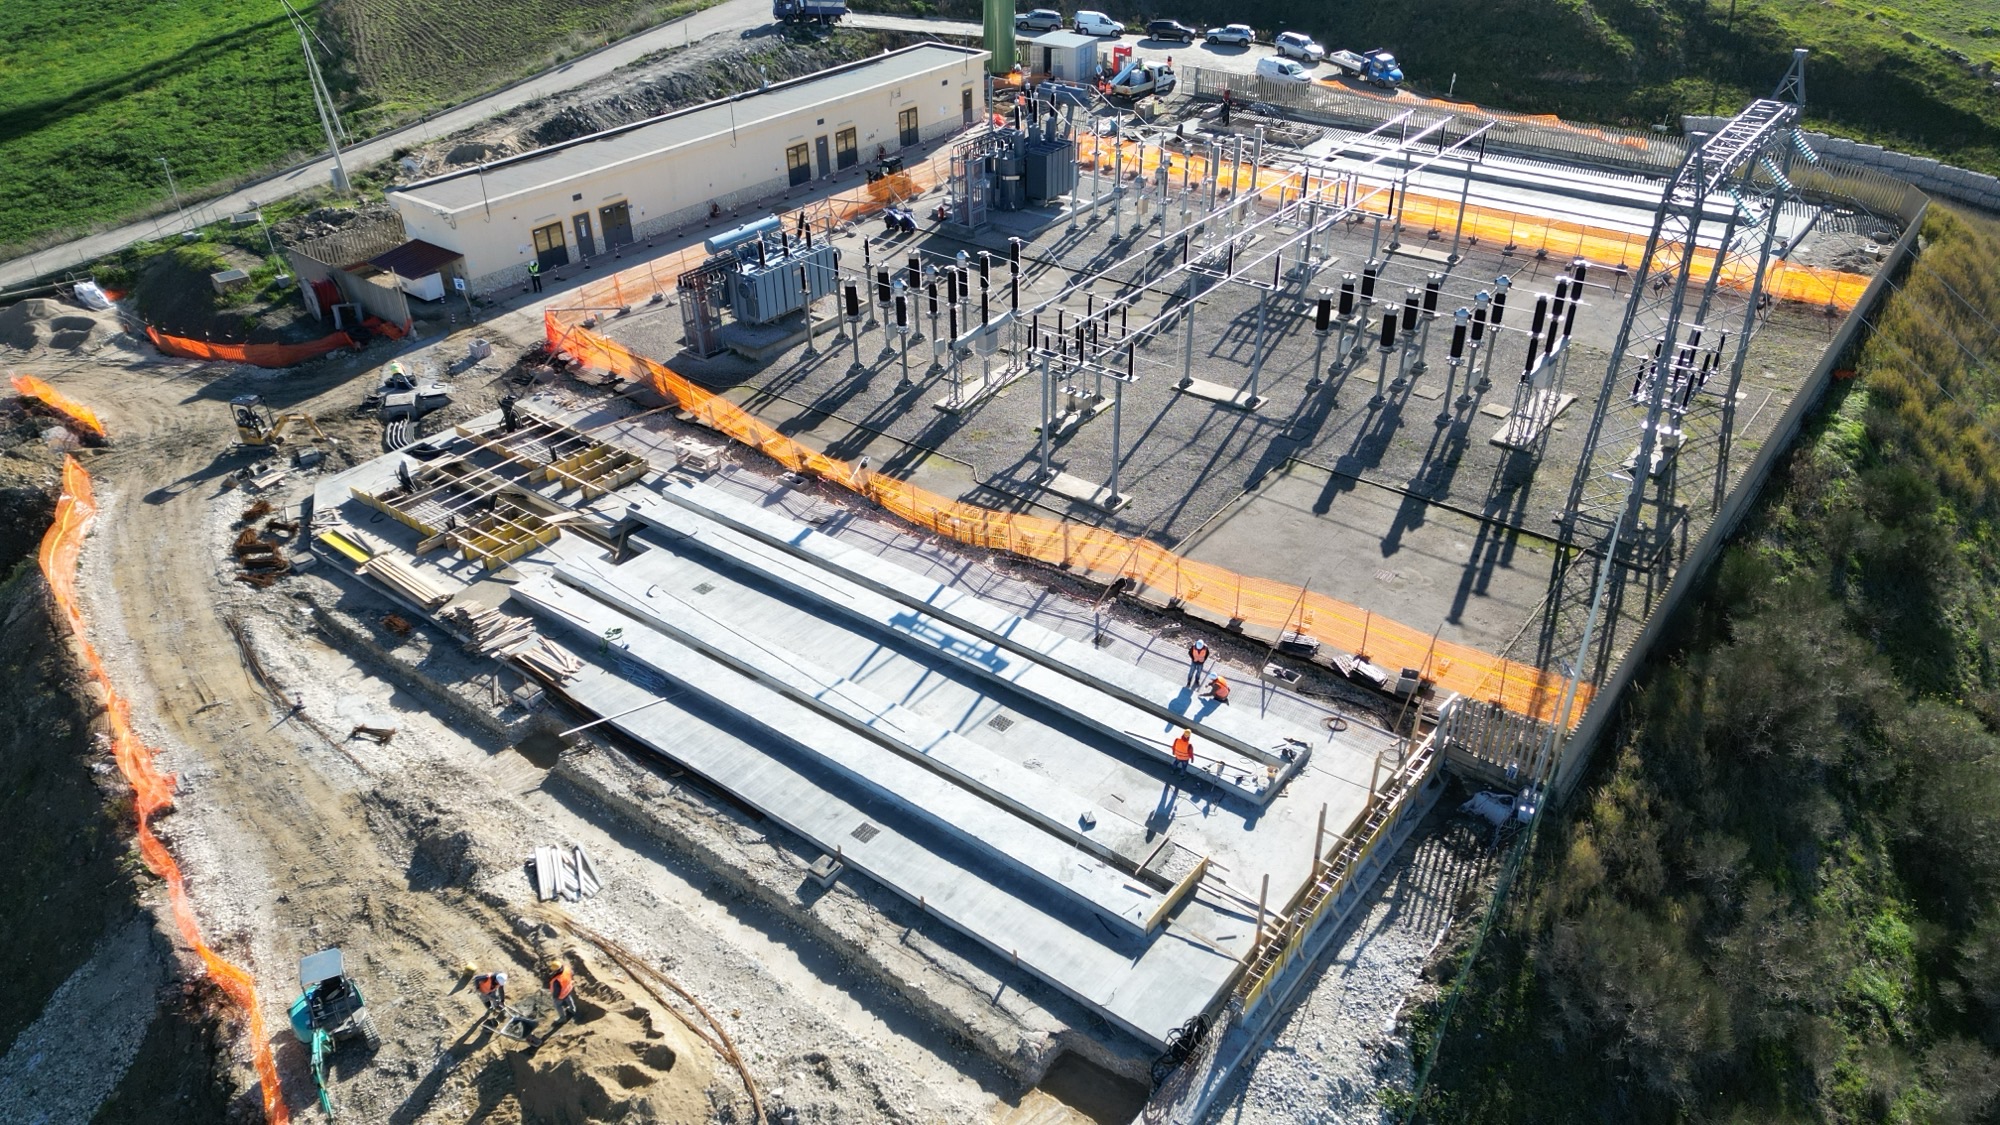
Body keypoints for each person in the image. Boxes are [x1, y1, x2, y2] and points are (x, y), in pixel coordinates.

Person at [545, 959, 578, 1029]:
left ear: (556, 970)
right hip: (568, 988)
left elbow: (556, 991)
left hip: (561, 994)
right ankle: (573, 1010)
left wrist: (555, 997)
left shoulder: (557, 980)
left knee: (558, 1006)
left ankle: (562, 1018)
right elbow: (572, 974)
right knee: (569, 999)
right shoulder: (566, 969)